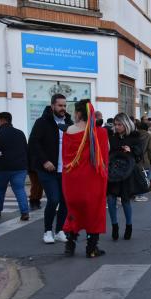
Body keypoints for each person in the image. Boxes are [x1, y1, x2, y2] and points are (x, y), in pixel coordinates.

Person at [62, 99, 109, 258]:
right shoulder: (99, 133)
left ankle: (70, 244)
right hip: (92, 179)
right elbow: (104, 159)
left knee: (73, 211)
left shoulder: (68, 130)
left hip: (72, 180)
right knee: (94, 212)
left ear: (78, 113)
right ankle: (91, 248)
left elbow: (65, 158)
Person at [29, 93, 73, 244]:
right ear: (53, 105)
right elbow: (34, 143)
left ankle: (59, 230)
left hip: (65, 170)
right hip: (48, 169)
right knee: (53, 199)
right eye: (60, 105)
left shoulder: (69, 122)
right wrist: (45, 161)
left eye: (65, 105)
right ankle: (48, 231)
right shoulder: (42, 122)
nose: (63, 108)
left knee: (65, 201)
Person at [107, 113, 143, 240]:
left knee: (125, 200)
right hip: (114, 172)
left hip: (128, 172)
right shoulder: (112, 137)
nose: (117, 127)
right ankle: (114, 226)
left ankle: (129, 226)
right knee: (110, 199)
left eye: (119, 124)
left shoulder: (134, 137)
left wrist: (131, 150)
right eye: (115, 124)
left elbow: (140, 155)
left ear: (126, 124)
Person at [0, 112, 29, 221]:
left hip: (2, 167)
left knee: (0, 190)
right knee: (20, 189)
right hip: (20, 168)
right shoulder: (20, 133)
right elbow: (26, 150)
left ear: (3, 120)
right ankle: (25, 212)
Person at [134, 120, 151, 202]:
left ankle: (136, 193)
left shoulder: (134, 135)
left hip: (134, 159)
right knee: (146, 176)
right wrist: (150, 158)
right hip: (144, 159)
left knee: (136, 176)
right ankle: (140, 195)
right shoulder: (150, 136)